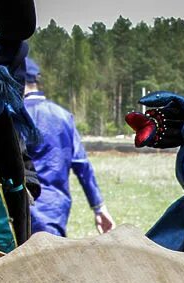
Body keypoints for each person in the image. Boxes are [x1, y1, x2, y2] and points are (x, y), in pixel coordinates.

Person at [23, 57, 115, 236]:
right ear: (37, 80)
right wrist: (98, 207)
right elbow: (82, 165)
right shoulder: (64, 116)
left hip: (19, 208)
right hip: (54, 210)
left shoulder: (13, 116)